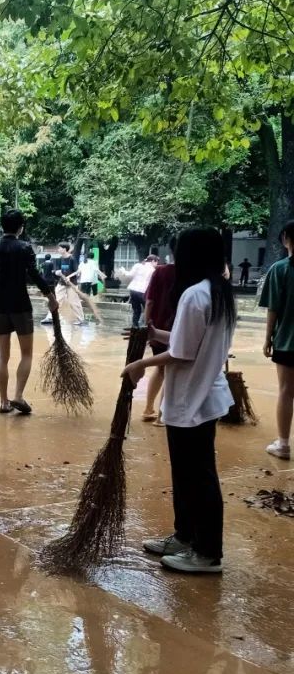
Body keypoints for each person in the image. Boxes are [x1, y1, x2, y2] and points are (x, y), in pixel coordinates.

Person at [122, 227, 235, 574]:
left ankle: (207, 553)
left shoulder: (194, 295)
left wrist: (141, 364)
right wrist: (156, 334)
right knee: (188, 473)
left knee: (199, 476)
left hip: (192, 398)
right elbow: (189, 339)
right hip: (204, 395)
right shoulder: (218, 292)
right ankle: (185, 536)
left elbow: (182, 353)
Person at [0, 211, 59, 415]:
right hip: (21, 306)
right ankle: (17, 396)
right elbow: (34, 274)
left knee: (2, 356)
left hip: (0, 308)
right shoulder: (24, 248)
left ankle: (3, 402)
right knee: (26, 354)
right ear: (20, 227)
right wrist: (50, 296)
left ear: (2, 226)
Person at [260, 220, 294, 460]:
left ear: (285, 239)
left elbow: (273, 308)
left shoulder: (280, 269)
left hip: (287, 342)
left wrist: (267, 339)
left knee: (286, 391)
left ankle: (283, 444)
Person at [142, 241, 177, 424]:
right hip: (177, 329)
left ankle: (149, 408)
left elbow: (149, 301)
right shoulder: (192, 274)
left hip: (157, 327)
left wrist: (147, 325)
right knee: (171, 370)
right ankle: (162, 417)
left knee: (161, 367)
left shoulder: (160, 271)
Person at [123, 254, 159, 327]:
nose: (156, 264)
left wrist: (123, 271)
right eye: (156, 262)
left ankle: (134, 326)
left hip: (133, 290)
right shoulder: (153, 270)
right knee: (147, 310)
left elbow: (129, 275)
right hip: (143, 291)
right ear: (153, 261)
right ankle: (146, 326)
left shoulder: (138, 266)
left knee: (136, 310)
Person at [52, 243, 84, 325]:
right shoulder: (60, 259)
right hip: (61, 282)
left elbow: (78, 271)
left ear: (64, 249)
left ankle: (80, 319)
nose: (58, 250)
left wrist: (69, 276)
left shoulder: (72, 258)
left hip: (71, 284)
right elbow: (56, 270)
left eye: (59, 248)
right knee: (57, 300)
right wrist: (56, 272)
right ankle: (52, 317)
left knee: (74, 302)